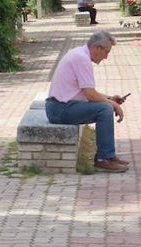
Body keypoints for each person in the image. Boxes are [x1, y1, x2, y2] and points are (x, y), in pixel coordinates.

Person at [44, 30, 128, 173]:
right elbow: (90, 95)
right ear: (97, 47)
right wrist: (113, 105)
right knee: (105, 110)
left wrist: (109, 98)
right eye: (106, 52)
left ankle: (109, 156)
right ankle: (103, 159)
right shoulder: (81, 59)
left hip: (61, 106)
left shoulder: (79, 54)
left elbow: (87, 92)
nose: (106, 57)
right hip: (59, 109)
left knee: (105, 106)